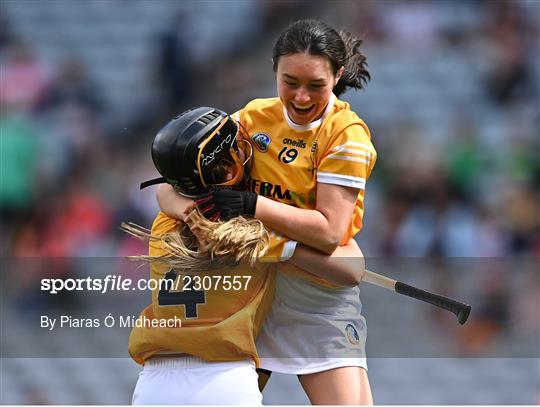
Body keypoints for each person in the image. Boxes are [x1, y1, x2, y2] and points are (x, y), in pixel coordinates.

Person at [167, 19, 377, 404]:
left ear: (338, 75)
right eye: (289, 81)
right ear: (274, 70)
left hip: (317, 300)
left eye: (316, 85)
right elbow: (169, 189)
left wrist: (252, 205)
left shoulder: (346, 135)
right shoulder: (251, 118)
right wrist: (196, 217)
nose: (300, 97)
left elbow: (330, 232)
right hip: (251, 293)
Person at [128, 107, 366, 405]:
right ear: (229, 169)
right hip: (224, 379)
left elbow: (164, 190)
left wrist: (189, 211)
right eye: (239, 149)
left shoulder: (164, 220)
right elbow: (353, 267)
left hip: (154, 383)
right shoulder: (252, 232)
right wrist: (285, 240)